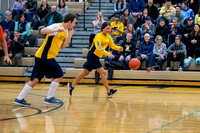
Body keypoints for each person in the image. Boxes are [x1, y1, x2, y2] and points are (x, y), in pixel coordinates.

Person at [13, 14, 77, 106]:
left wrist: (69, 36)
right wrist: (56, 30)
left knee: (35, 80)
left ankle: (19, 99)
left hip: (43, 57)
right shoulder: (57, 26)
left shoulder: (66, 31)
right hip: (45, 56)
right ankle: (49, 98)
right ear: (70, 21)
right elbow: (42, 31)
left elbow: (62, 46)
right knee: (59, 75)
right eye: (74, 22)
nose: (74, 25)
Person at [68, 22, 123, 97]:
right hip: (92, 56)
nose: (108, 30)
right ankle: (109, 91)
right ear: (102, 29)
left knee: (85, 72)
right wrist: (108, 53)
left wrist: (119, 48)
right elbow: (98, 48)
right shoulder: (98, 37)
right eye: (107, 28)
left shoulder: (108, 37)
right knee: (103, 72)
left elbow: (112, 45)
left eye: (109, 29)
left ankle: (72, 85)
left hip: (96, 57)